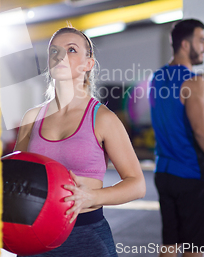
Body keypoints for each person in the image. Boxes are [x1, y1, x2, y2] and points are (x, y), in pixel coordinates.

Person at [14, 26, 146, 257]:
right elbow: (16, 179)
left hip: (85, 236)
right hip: (34, 236)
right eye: (54, 50)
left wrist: (93, 196)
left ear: (88, 64)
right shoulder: (32, 117)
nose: (60, 55)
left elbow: (137, 184)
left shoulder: (103, 118)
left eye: (72, 49)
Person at [148, 19, 204, 257]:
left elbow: (179, 91)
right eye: (201, 40)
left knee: (170, 244)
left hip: (163, 173)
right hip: (191, 174)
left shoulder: (156, 78)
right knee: (194, 248)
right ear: (185, 44)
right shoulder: (193, 83)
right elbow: (201, 130)